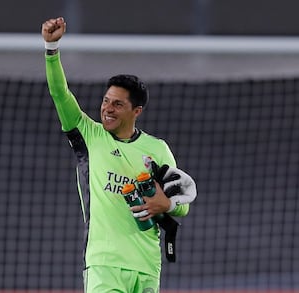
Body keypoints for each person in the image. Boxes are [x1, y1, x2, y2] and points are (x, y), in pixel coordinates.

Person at [41, 17, 197, 293]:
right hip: (104, 265)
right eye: (105, 101)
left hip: (147, 267)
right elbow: (59, 93)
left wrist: (167, 205)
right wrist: (51, 49)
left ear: (136, 111)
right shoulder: (89, 136)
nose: (107, 109)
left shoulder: (157, 149)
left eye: (118, 104)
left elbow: (181, 204)